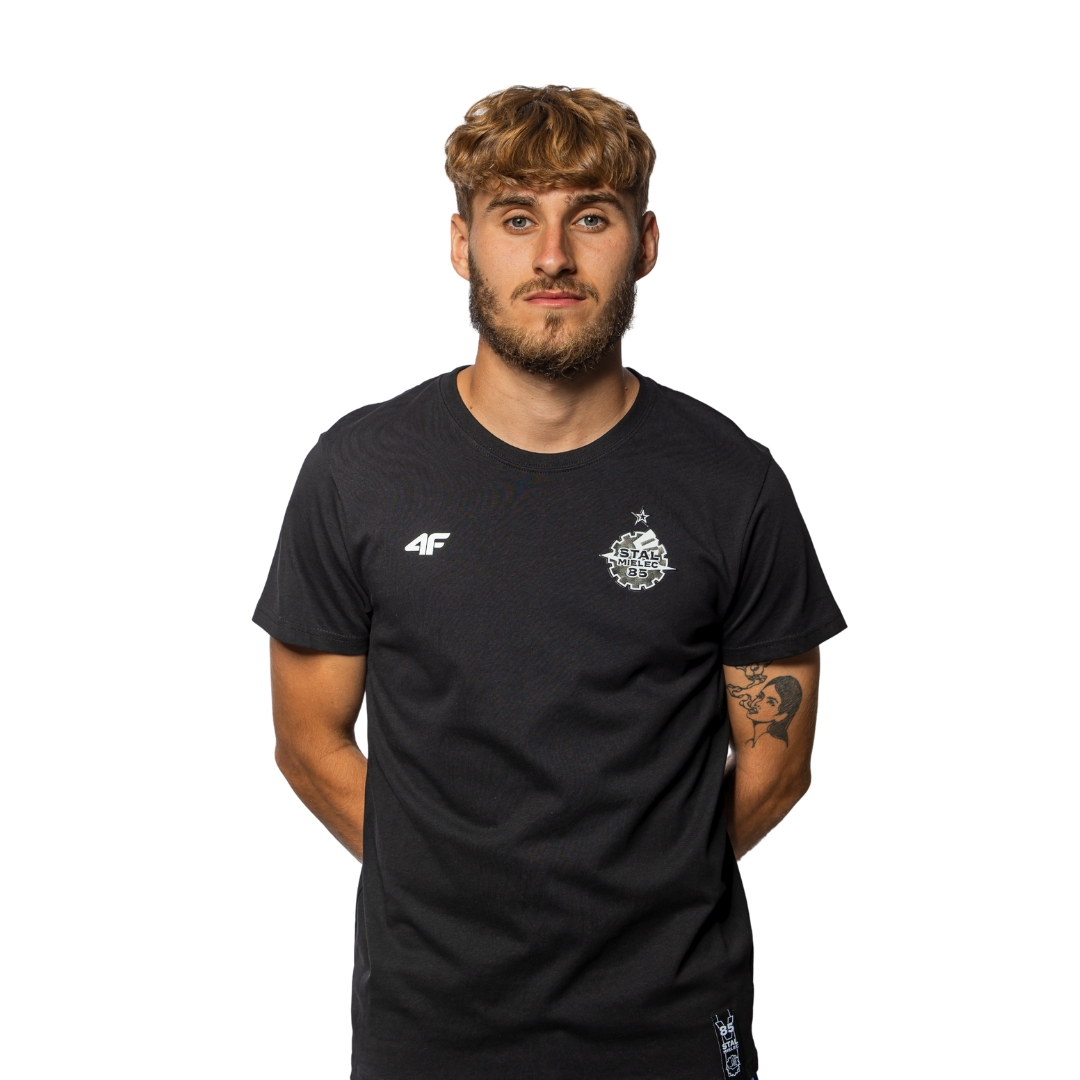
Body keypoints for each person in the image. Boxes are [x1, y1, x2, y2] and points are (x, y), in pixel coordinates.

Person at [254, 84, 846, 1080]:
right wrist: (455, 890)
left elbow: (777, 765)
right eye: (517, 218)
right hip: (432, 1029)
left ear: (645, 243)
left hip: (669, 1025)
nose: (554, 257)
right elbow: (309, 744)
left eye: (593, 218)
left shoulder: (732, 484)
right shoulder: (359, 473)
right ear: (462, 243)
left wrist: (640, 891)